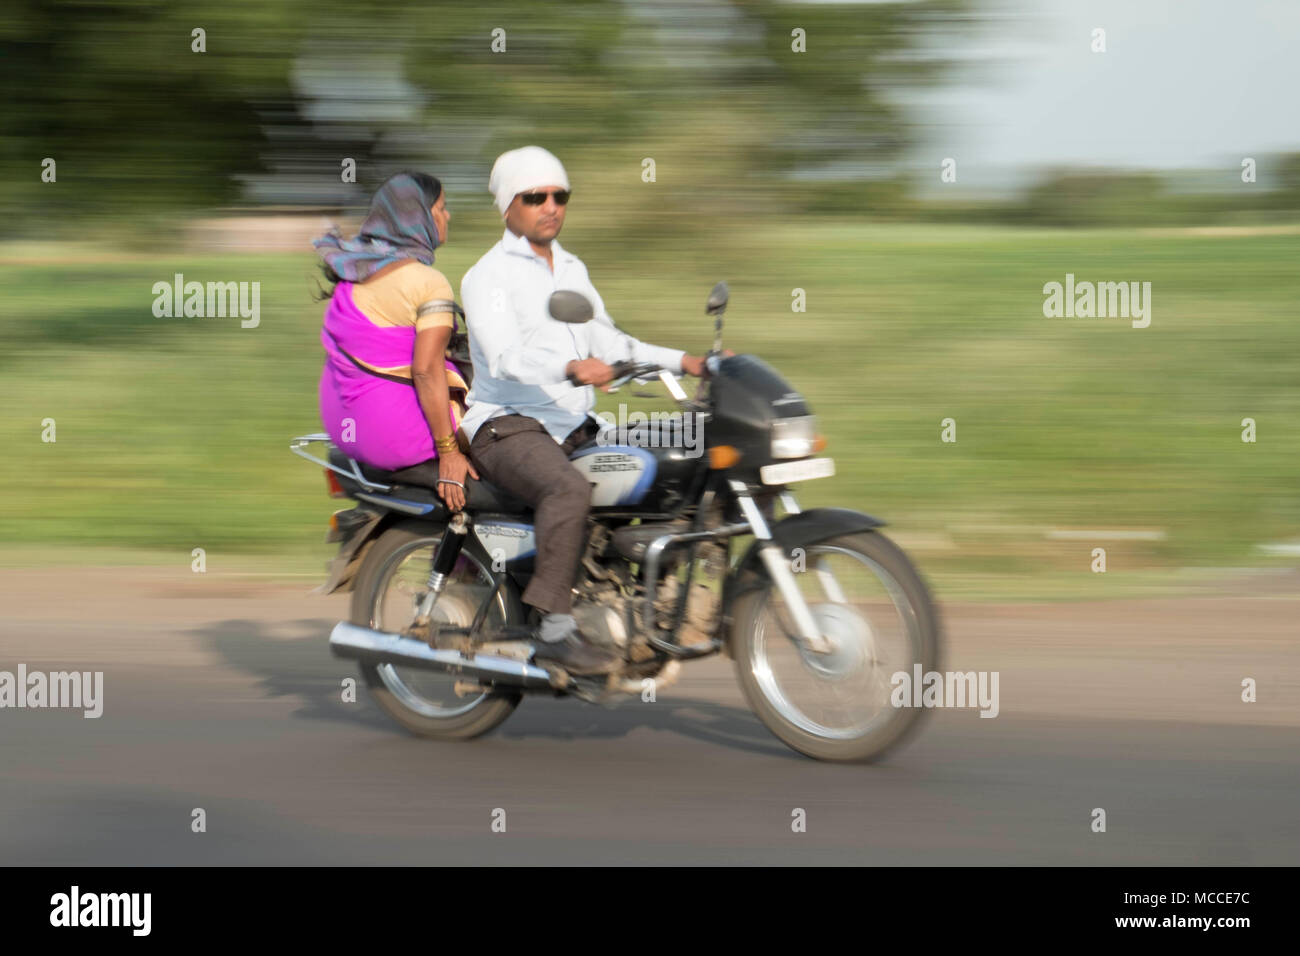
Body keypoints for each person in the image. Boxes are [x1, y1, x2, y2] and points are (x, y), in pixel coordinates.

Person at [460, 146, 707, 675]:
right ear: (508, 206)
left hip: (571, 425)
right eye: (534, 197)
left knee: (666, 461)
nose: (550, 206)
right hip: (507, 424)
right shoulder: (488, 276)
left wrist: (690, 361)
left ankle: (634, 605)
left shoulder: (571, 267)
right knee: (567, 488)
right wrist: (572, 369)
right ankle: (552, 629)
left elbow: (612, 341)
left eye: (559, 195)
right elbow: (505, 358)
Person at [314, 171, 477, 512]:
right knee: (497, 442)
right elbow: (426, 371)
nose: (447, 216)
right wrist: (449, 451)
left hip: (343, 428)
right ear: (419, 217)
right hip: (389, 433)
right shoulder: (427, 282)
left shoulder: (353, 272)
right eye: (442, 208)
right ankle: (471, 557)